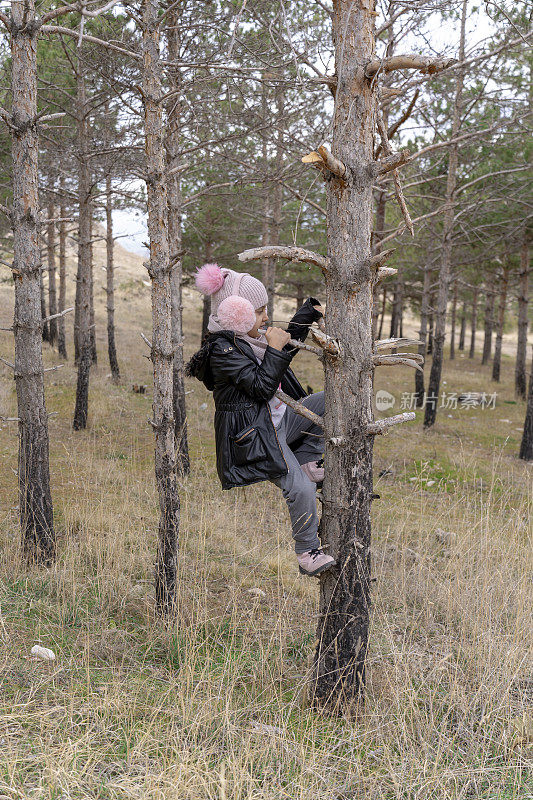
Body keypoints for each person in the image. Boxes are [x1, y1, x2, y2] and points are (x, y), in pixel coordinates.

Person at [186, 263, 336, 577]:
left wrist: (308, 313)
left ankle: (308, 462)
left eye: (266, 309)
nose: (266, 317)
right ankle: (307, 552)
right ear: (236, 314)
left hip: (278, 423)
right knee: (301, 491)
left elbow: (281, 348)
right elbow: (260, 386)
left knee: (329, 402)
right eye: (259, 310)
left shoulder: (250, 342)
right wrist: (276, 349)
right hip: (258, 437)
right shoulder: (222, 351)